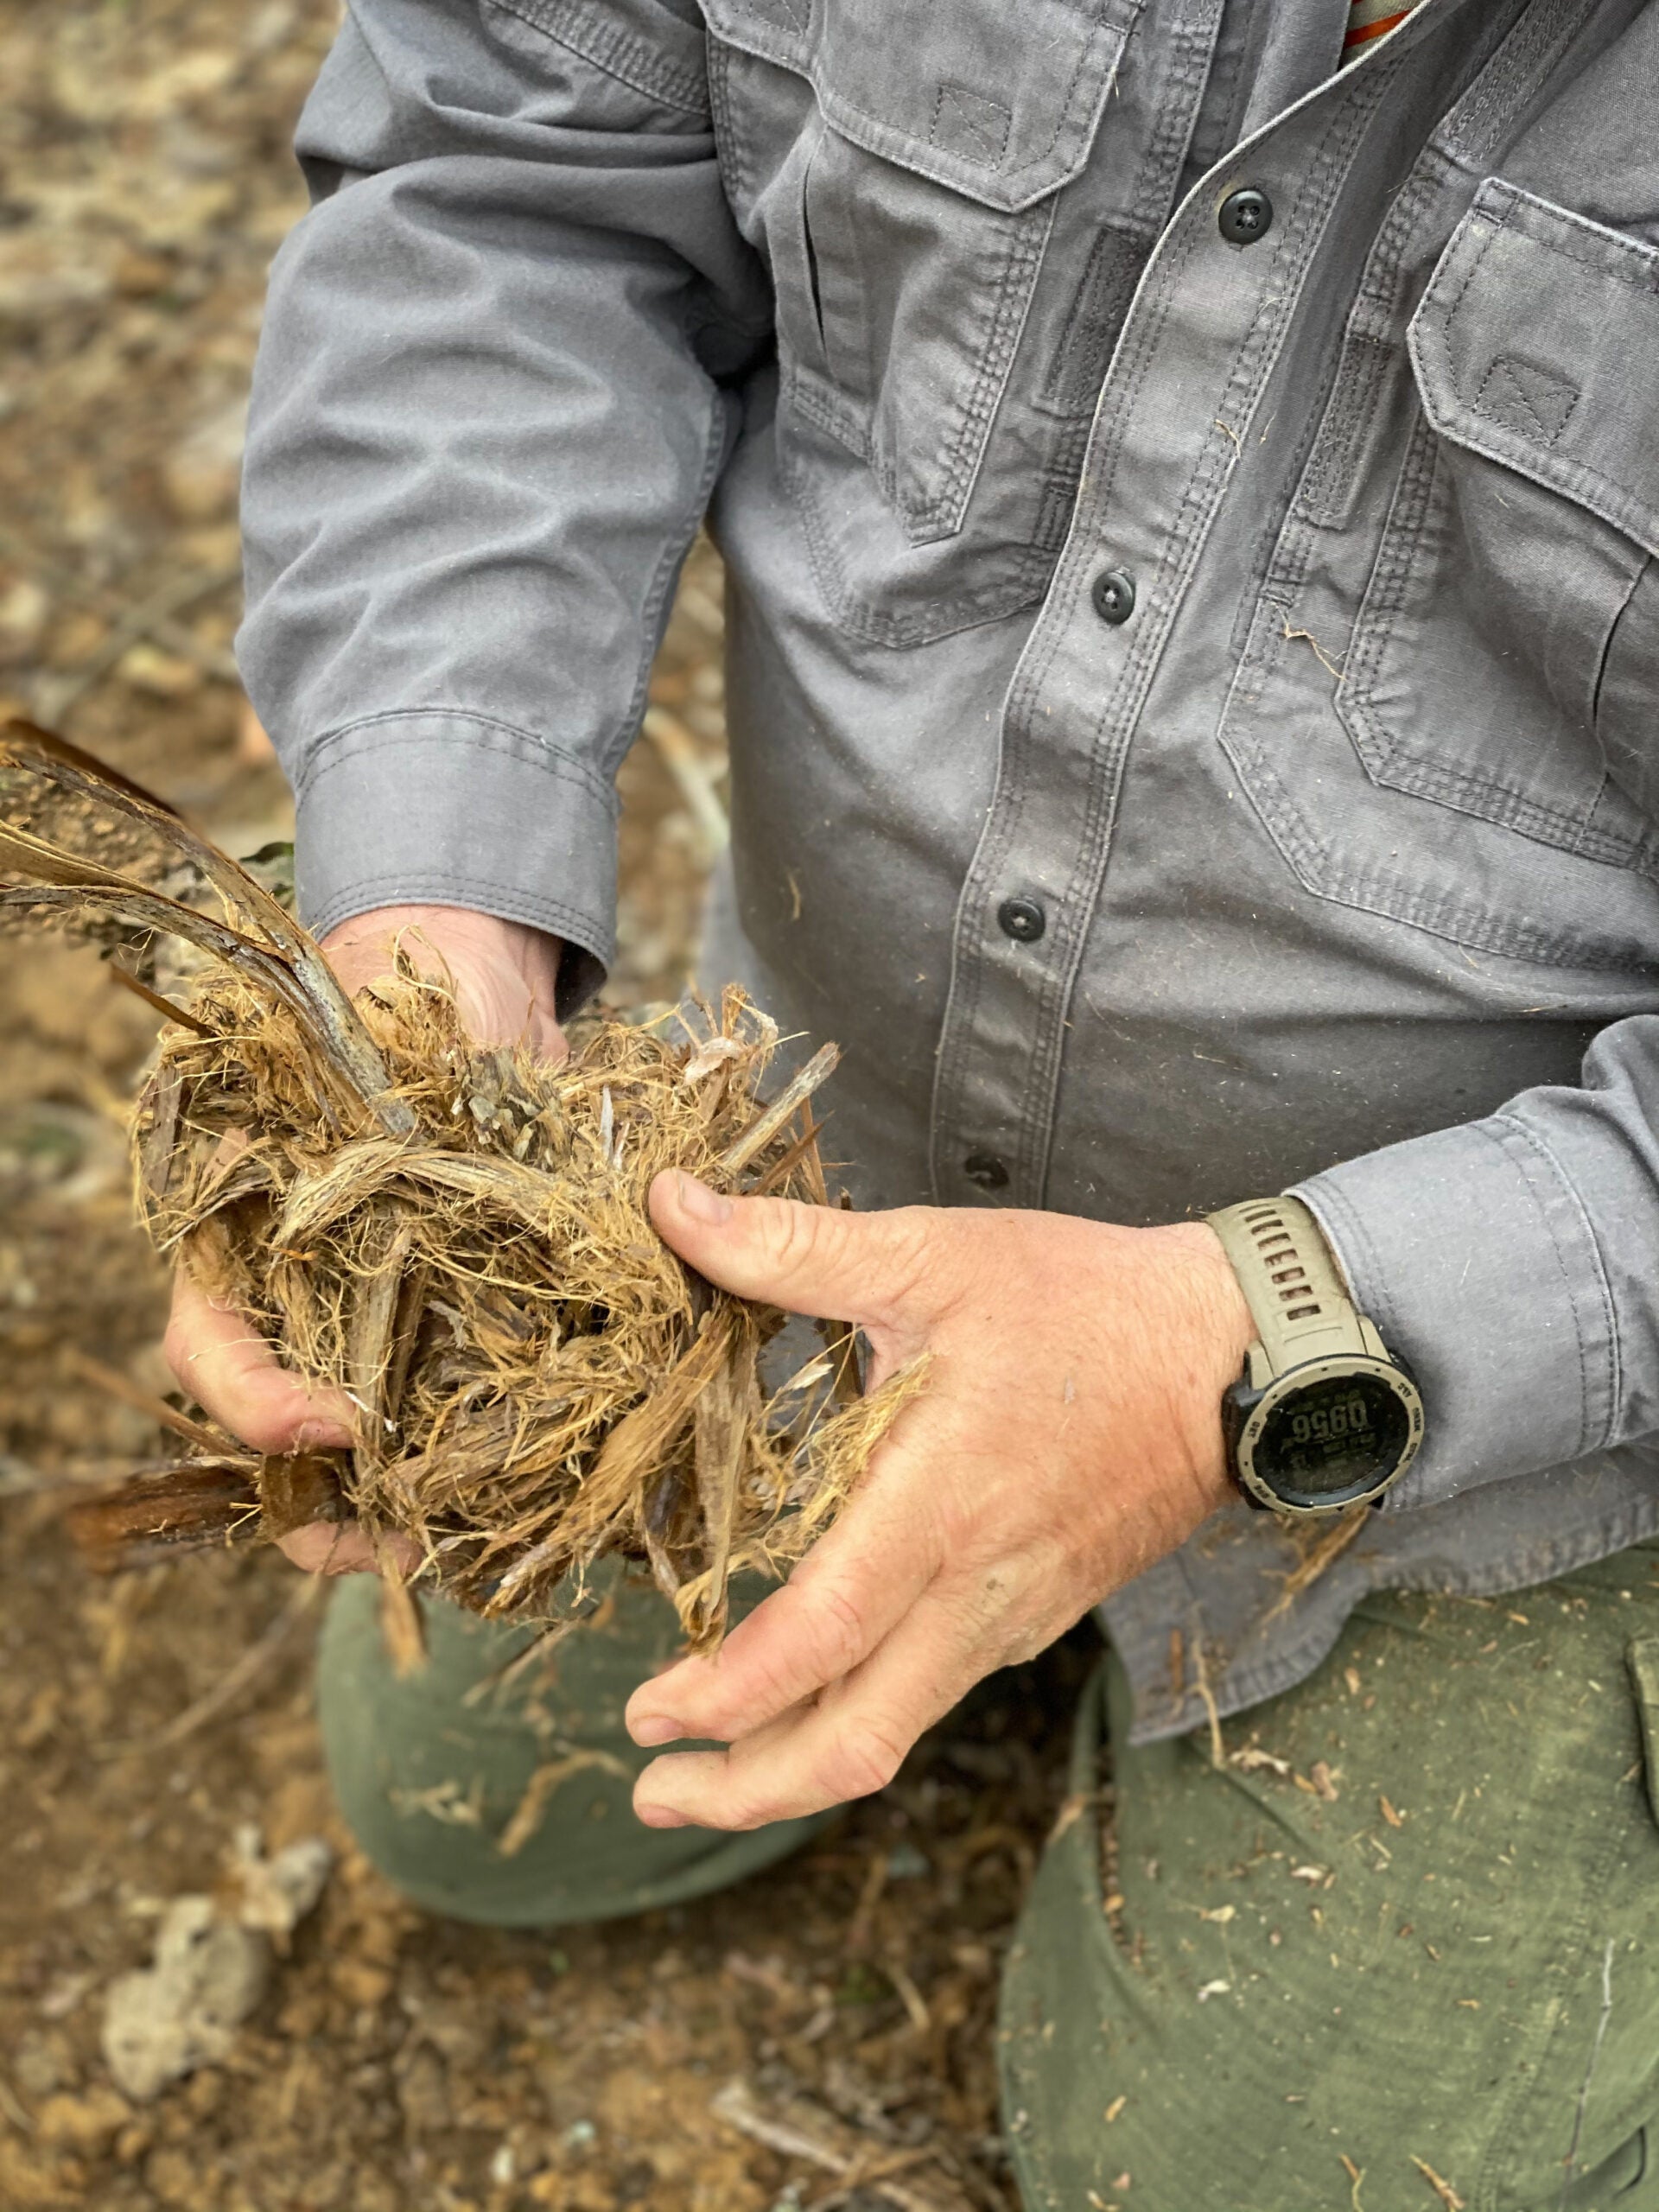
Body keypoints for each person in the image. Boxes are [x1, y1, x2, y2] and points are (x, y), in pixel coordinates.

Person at [167, 0, 1659, 2202]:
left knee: (1248, 2174)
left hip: (1505, 1362)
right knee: (456, 1793)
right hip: (816, 1150)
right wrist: (432, 928)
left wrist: (1231, 1348)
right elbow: (504, 186)